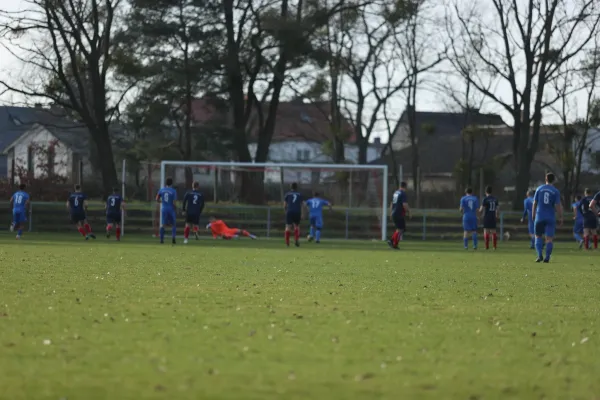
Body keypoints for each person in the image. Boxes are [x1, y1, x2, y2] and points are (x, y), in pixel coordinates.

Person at [532, 173, 563, 263]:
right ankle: (547, 257)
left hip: (539, 216)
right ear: (553, 180)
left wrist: (533, 215)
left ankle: (539, 255)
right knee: (549, 238)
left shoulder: (539, 189)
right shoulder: (555, 191)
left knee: (538, 236)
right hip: (550, 217)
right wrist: (560, 216)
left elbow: (535, 203)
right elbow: (558, 205)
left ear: (545, 179)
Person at [388, 181, 410, 250]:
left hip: (394, 213)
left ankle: (392, 241)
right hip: (399, 213)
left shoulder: (395, 193)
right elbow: (404, 205)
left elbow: (391, 204)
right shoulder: (403, 193)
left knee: (399, 229)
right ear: (405, 187)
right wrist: (409, 212)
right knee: (401, 229)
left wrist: (391, 213)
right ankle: (394, 243)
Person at [156, 177, 177, 244]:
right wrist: (175, 208)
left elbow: (157, 199)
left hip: (164, 209)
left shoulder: (162, 190)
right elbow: (174, 202)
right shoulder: (173, 191)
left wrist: (161, 202)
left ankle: (161, 239)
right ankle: (173, 238)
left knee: (163, 225)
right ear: (171, 183)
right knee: (173, 224)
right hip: (170, 209)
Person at [479, 185, 499, 250]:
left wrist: (478, 211)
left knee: (486, 231)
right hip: (493, 216)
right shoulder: (495, 199)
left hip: (487, 216)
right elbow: (497, 209)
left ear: (486, 192)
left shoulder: (485, 199)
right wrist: (496, 215)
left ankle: (487, 247)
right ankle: (494, 247)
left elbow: (481, 209)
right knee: (494, 231)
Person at [284, 183, 303, 247]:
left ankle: (287, 242)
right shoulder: (299, 194)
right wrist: (303, 213)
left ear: (290, 187)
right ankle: (296, 240)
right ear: (296, 187)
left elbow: (285, 205)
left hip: (289, 211)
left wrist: (285, 211)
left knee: (288, 227)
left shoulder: (287, 194)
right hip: (297, 211)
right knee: (297, 226)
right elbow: (302, 204)